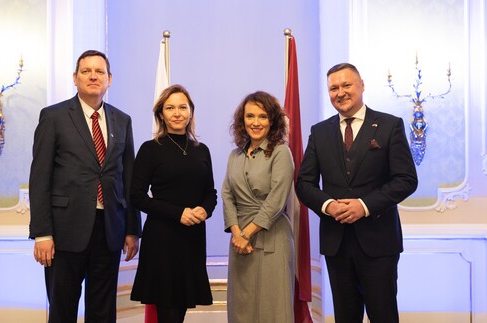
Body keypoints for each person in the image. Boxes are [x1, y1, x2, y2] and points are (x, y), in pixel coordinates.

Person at [295, 63, 418, 323]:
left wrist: (363, 205)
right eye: (333, 88)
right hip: (336, 243)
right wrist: (328, 204)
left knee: (383, 316)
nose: (340, 92)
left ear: (362, 85)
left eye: (346, 85)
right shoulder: (319, 132)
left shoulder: (389, 125)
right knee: (345, 317)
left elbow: (406, 180)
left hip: (379, 242)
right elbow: (304, 183)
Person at [29, 49, 141, 322]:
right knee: (63, 309)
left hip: (110, 231)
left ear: (109, 79)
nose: (93, 76)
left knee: (102, 312)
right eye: (86, 71)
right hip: (64, 232)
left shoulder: (122, 120)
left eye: (99, 71)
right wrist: (42, 233)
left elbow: (128, 178)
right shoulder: (53, 117)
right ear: (75, 78)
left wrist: (132, 229)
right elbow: (40, 178)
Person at [130, 84, 217, 323]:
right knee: (167, 311)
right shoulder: (150, 149)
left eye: (182, 107)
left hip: (193, 239)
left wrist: (204, 210)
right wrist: (178, 213)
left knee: (180, 311)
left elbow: (211, 193)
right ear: (161, 114)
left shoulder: (202, 150)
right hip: (162, 240)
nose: (177, 113)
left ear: (191, 112)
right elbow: (136, 196)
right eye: (170, 108)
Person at [222, 91, 295, 323]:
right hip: (239, 242)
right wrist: (237, 234)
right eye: (250, 116)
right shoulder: (235, 155)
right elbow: (226, 194)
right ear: (241, 120)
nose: (255, 122)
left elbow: (277, 200)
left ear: (272, 120)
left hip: (272, 237)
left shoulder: (281, 152)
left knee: (273, 309)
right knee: (241, 308)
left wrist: (247, 233)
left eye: (262, 116)